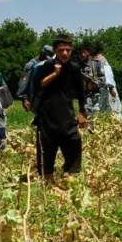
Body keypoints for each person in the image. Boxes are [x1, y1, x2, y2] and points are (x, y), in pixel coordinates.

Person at [30, 36, 87, 181]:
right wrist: (55, 74)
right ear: (55, 50)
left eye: (68, 50)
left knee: (73, 140)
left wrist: (82, 112)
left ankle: (68, 172)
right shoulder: (47, 66)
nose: (65, 53)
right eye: (61, 50)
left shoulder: (74, 68)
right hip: (48, 113)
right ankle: (48, 176)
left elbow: (81, 92)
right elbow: (39, 85)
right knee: (48, 146)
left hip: (66, 112)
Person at [91, 45, 122, 120]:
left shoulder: (101, 59)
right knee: (99, 108)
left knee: (113, 108)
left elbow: (108, 74)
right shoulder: (94, 60)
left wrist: (111, 88)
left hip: (108, 88)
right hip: (101, 88)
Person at [19, 45, 53, 111]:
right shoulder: (31, 65)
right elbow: (23, 83)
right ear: (42, 54)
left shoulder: (44, 64)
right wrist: (24, 99)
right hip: (33, 97)